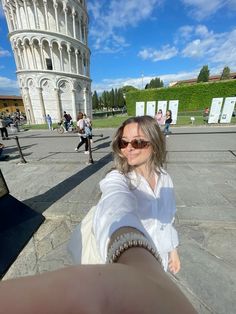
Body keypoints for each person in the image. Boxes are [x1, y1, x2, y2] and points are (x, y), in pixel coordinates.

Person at [0, 116, 196, 314]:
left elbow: (169, 217)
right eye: (123, 142)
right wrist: (133, 253)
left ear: (155, 143)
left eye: (137, 142)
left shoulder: (164, 177)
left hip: (159, 257)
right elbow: (115, 206)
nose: (128, 148)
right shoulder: (118, 178)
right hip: (130, 263)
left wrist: (173, 250)